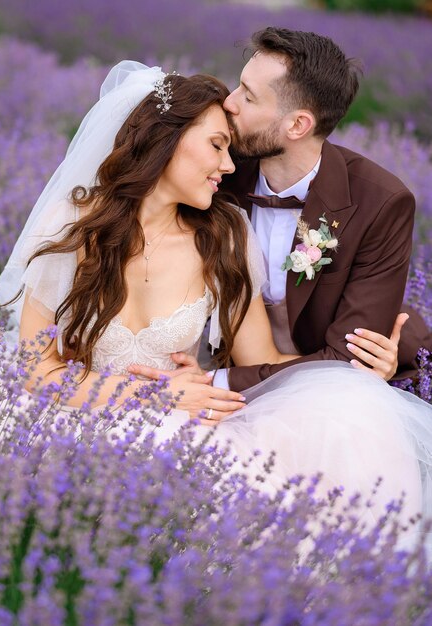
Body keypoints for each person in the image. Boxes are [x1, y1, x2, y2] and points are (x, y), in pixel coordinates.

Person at [0, 61, 432, 539]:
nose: (229, 165)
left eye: (230, 143)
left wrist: (351, 378)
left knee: (347, 423)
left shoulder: (223, 236)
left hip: (190, 417)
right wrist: (156, 395)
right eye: (217, 145)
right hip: (79, 411)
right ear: (167, 141)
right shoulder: (70, 223)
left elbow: (263, 360)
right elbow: (38, 372)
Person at [130, 27, 431, 395]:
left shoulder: (380, 204)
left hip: (324, 388)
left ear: (297, 125)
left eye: (250, 98)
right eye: (238, 86)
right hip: (225, 367)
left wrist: (211, 381)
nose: (229, 103)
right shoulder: (213, 171)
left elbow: (349, 360)